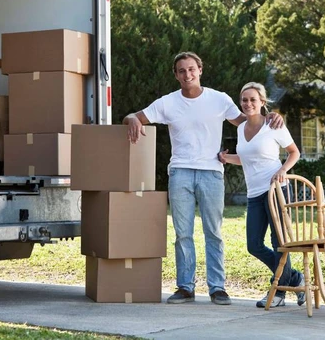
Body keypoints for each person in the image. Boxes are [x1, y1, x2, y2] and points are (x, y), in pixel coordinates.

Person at [123, 52, 283, 305]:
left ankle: (217, 287)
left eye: (191, 69)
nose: (187, 75)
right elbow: (134, 116)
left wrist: (273, 115)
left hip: (211, 173)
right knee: (183, 233)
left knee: (214, 232)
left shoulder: (218, 99)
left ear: (200, 70)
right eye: (182, 71)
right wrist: (131, 118)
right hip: (180, 173)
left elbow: (250, 121)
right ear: (176, 75)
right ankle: (185, 287)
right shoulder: (167, 102)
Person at [218, 82, 305, 308]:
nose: (248, 104)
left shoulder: (273, 125)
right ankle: (294, 278)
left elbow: (294, 152)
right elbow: (247, 158)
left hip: (277, 191)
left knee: (279, 243)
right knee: (254, 245)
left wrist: (282, 170)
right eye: (244, 100)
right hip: (254, 193)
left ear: (262, 103)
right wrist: (227, 159)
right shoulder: (240, 128)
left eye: (253, 100)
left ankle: (278, 293)